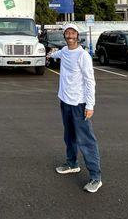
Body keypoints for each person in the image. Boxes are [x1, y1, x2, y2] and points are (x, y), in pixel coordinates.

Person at [48, 23, 102, 193]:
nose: (70, 36)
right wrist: (49, 54)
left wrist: (90, 105)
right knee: (69, 135)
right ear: (64, 35)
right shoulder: (64, 51)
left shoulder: (83, 55)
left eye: (73, 33)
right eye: (67, 33)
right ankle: (72, 163)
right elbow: (56, 53)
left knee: (86, 141)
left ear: (78, 36)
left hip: (79, 104)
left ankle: (95, 177)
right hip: (65, 101)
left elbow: (90, 81)